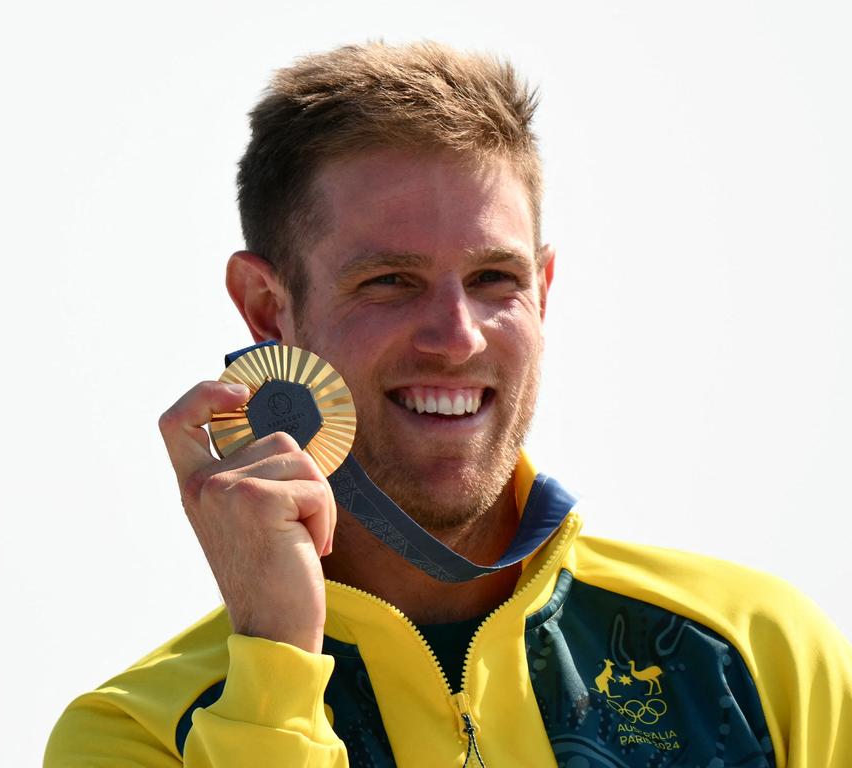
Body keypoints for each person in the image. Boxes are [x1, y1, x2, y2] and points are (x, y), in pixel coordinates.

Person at [45, 42, 852, 767]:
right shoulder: (138, 736)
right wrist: (274, 671)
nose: (456, 337)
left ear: (543, 291)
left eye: (494, 279)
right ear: (265, 307)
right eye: (389, 281)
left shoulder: (756, 654)